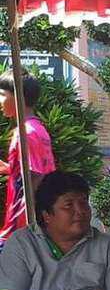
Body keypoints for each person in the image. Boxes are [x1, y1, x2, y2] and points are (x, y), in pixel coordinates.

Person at [0, 72, 56, 247]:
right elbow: (38, 170)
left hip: (21, 228)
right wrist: (10, 168)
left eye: (2, 94)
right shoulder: (38, 129)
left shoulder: (25, 133)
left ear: (18, 96)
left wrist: (23, 231)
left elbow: (36, 180)